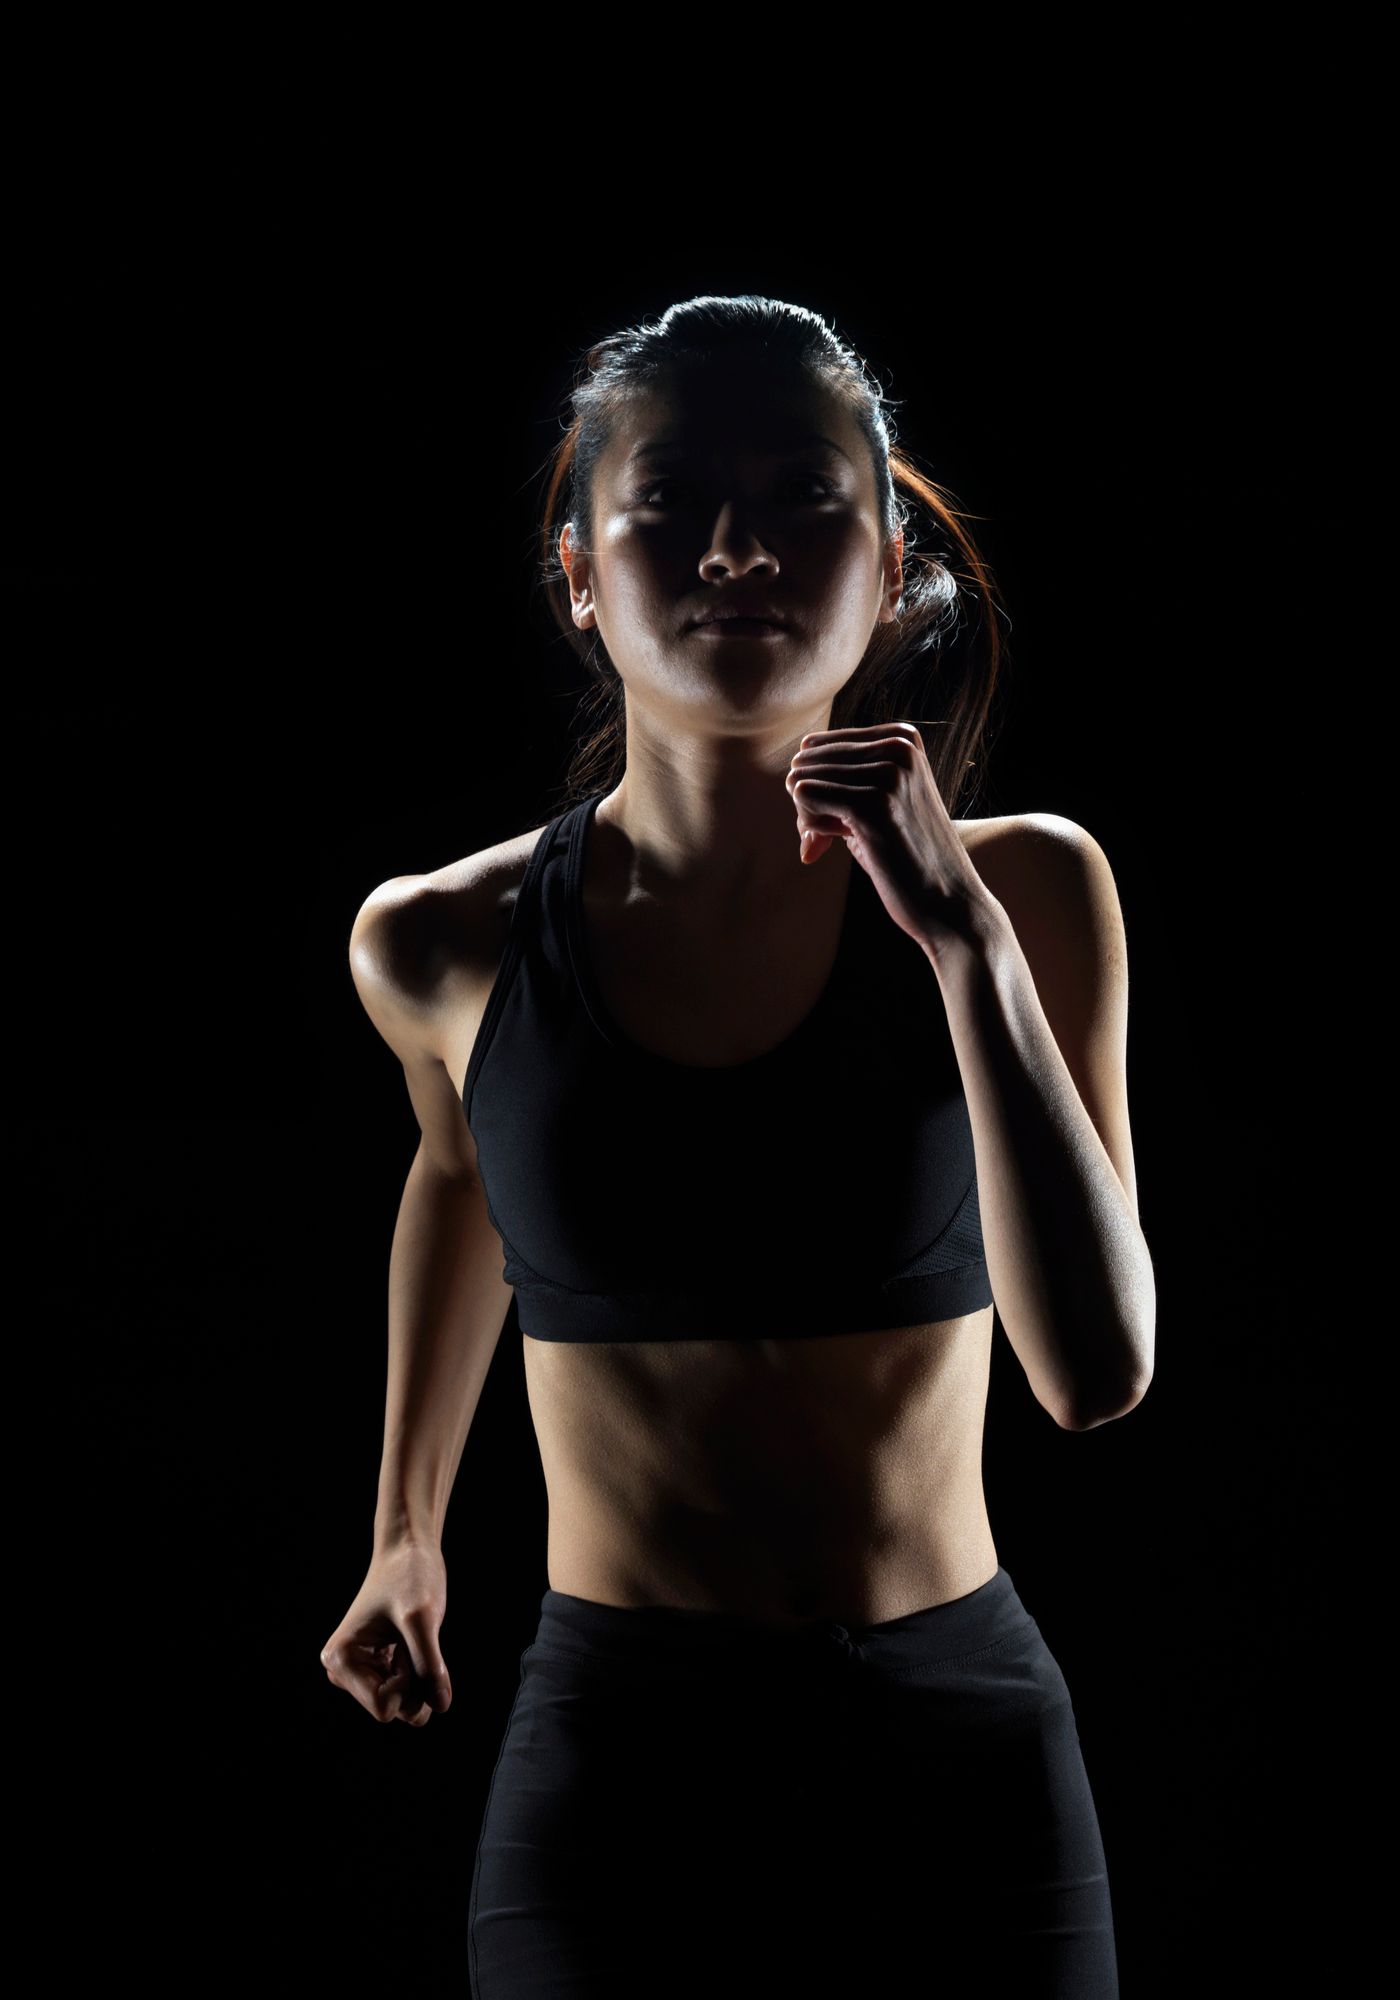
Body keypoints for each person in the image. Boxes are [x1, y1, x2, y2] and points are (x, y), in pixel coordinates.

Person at [320, 294, 1155, 1998]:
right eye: (676, 497)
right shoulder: (440, 943)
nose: (735, 546)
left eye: (799, 498)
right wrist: (406, 1528)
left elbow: (1098, 1372)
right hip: (618, 1754)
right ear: (579, 572)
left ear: (890, 560)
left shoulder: (1033, 893)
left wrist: (964, 946)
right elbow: (469, 1174)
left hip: (962, 1750)